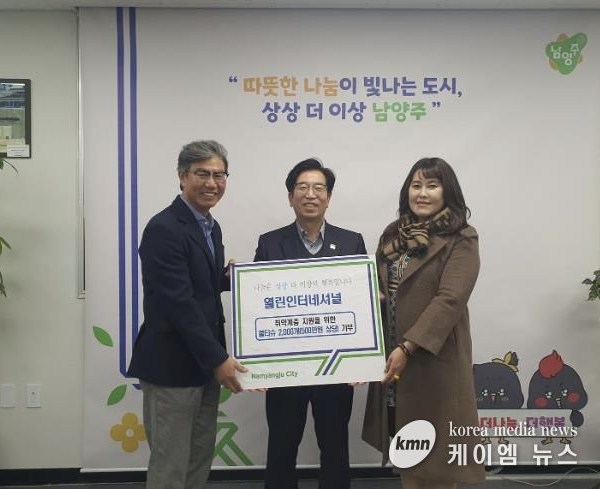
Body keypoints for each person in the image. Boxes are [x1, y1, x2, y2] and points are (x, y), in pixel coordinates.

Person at [127, 140, 247, 489]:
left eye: (219, 175)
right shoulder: (164, 228)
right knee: (171, 464)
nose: (212, 183)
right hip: (173, 366)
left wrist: (229, 279)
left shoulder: (210, 226)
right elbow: (177, 302)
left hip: (202, 365)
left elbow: (197, 286)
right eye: (202, 174)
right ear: (182, 177)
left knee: (198, 457)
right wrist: (218, 358)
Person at [362, 157, 485, 488]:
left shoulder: (462, 238)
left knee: (439, 462)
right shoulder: (394, 235)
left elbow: (450, 300)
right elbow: (381, 286)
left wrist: (408, 346)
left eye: (432, 185)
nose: (422, 193)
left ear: (448, 191)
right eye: (416, 185)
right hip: (394, 364)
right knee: (409, 455)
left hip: (433, 361)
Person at [254, 158, 367, 489]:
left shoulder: (351, 242)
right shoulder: (269, 243)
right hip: (285, 369)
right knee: (281, 446)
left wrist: (361, 360)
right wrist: (259, 363)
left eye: (319, 188)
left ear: (328, 197)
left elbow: (360, 305)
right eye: (302, 187)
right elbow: (259, 306)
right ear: (291, 197)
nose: (310, 194)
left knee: (335, 446)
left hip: (335, 367)